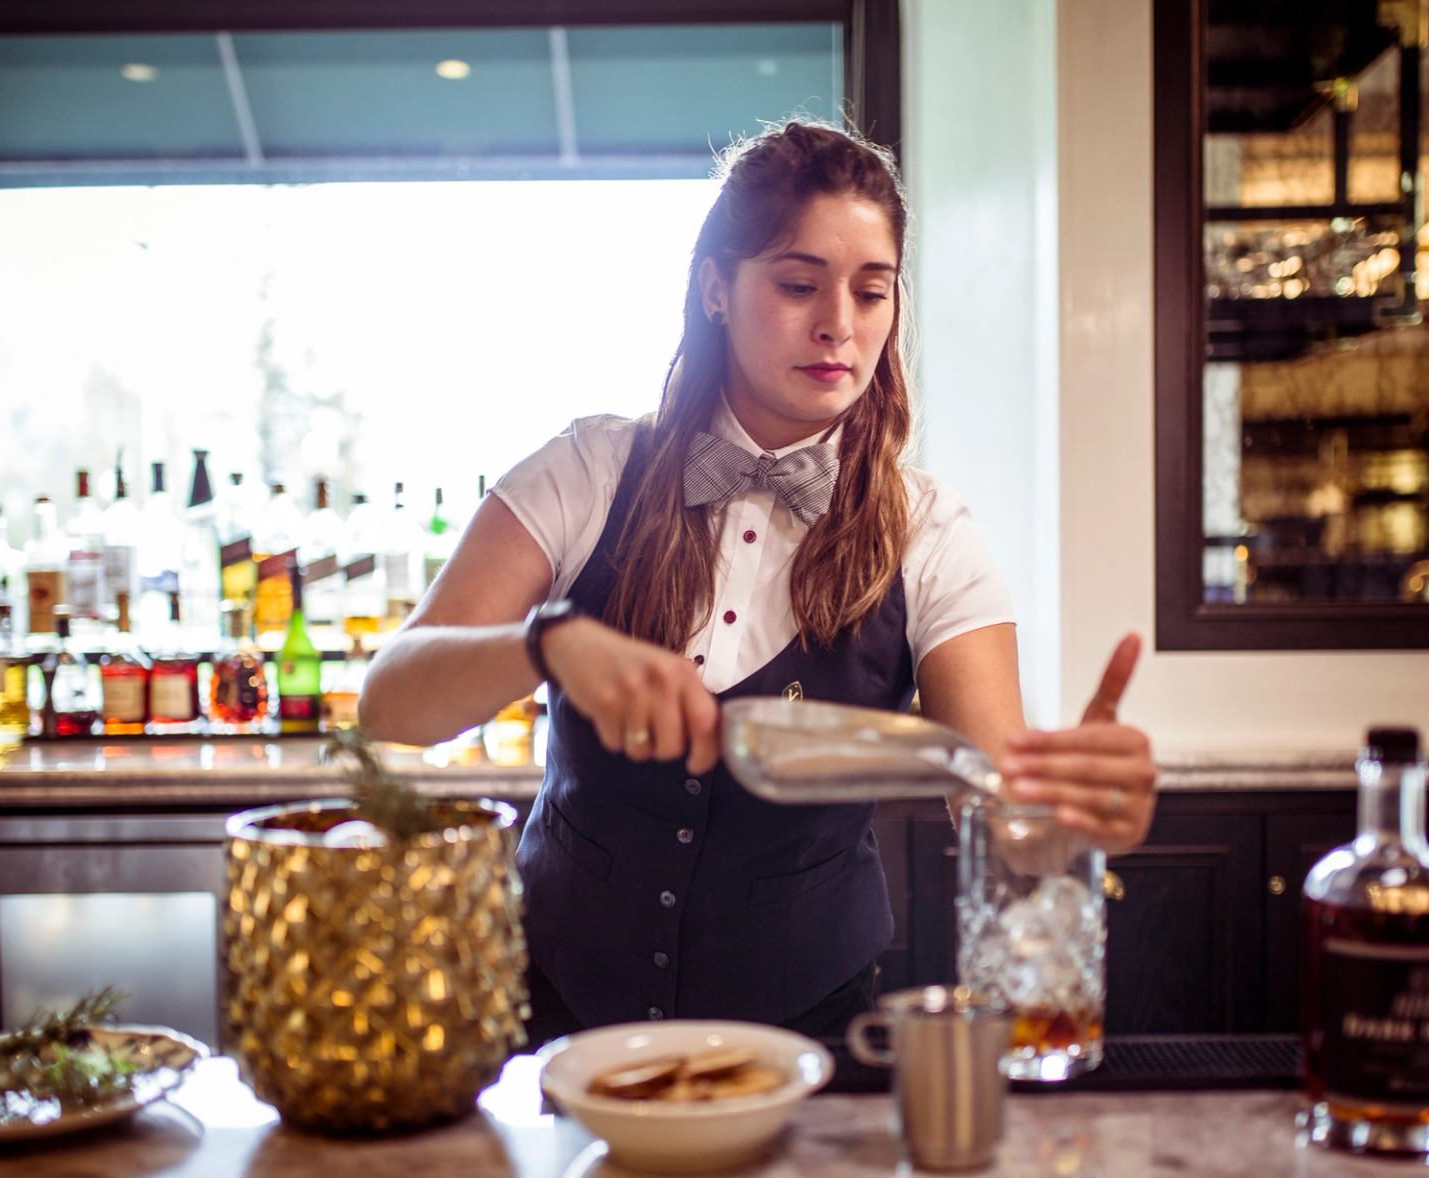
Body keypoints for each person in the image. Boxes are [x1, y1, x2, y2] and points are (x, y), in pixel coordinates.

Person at [360, 120, 1157, 1044]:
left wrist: (1076, 814)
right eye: (796, 284)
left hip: (809, 1040)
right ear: (714, 289)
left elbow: (999, 817)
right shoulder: (588, 469)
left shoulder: (932, 533)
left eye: (872, 291)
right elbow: (390, 705)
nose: (839, 326)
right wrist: (546, 643)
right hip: (559, 1019)